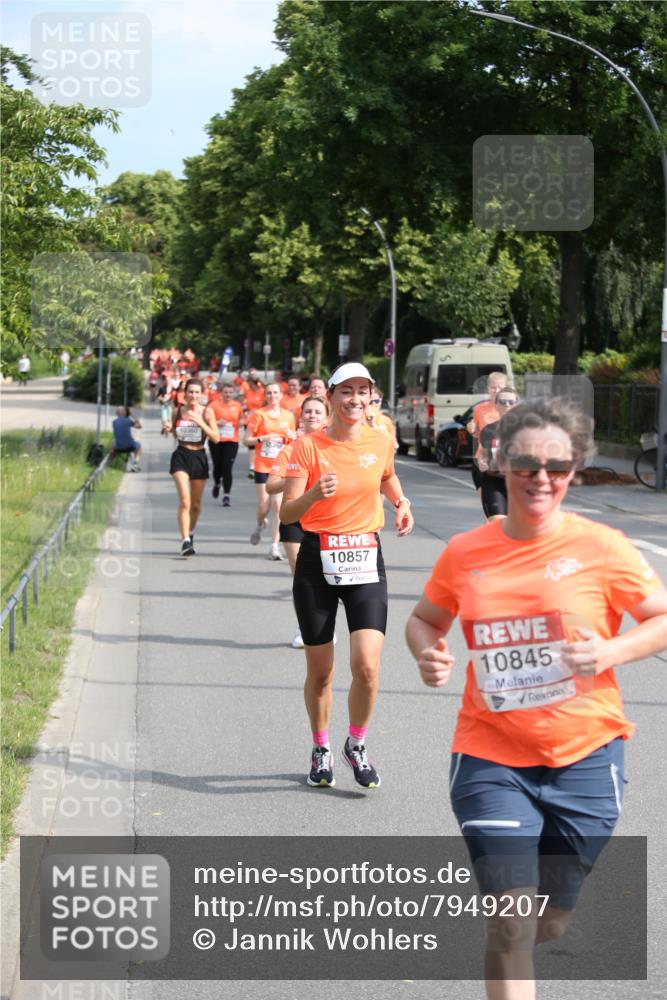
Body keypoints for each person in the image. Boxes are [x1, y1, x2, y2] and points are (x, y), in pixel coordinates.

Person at [405, 396, 667, 1000]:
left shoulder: (603, 547)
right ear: (501, 461)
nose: (540, 478)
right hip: (490, 757)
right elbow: (424, 620)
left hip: (587, 754)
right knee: (512, 921)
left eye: (558, 466)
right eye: (526, 463)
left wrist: (610, 653)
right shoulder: (466, 552)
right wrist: (427, 652)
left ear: (575, 470)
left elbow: (659, 620)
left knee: (550, 920)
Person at [281, 362, 414, 790]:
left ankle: (356, 744)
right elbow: (286, 512)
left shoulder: (381, 440)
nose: (356, 399)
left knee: (368, 667)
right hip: (318, 559)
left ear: (372, 396)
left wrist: (402, 502)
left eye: (364, 391)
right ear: (333, 397)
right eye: (346, 392)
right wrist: (314, 494)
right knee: (321, 672)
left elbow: (387, 476)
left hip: (365, 557)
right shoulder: (308, 447)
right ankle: (320, 747)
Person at [266, 395, 331, 648]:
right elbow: (271, 486)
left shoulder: (335, 448)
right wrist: (296, 478)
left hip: (326, 519)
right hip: (294, 519)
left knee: (325, 577)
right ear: (301, 417)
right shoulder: (289, 449)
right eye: (308, 412)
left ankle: (325, 625)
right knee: (301, 577)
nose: (312, 415)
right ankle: (303, 627)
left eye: (318, 412)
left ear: (327, 417)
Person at [244, 382, 297, 560]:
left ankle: (274, 546)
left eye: (276, 392)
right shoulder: (258, 415)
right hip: (262, 466)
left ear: (281, 395)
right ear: (265, 396)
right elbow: (246, 440)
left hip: (281, 466)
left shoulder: (289, 416)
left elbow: (294, 440)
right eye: (269, 393)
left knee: (277, 506)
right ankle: (260, 524)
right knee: (264, 507)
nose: (272, 395)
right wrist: (263, 438)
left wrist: (292, 437)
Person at [170, 378, 220, 556]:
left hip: (199, 457)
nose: (193, 395)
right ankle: (184, 541)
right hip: (181, 456)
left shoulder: (207, 412)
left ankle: (190, 533)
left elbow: (216, 438)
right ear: (185, 393)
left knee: (196, 505)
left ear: (201, 394)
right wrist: (168, 427)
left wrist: (200, 422)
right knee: (185, 501)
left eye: (196, 392)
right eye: (190, 392)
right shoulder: (177, 411)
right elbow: (173, 431)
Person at [478, 386, 520, 521]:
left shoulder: (527, 429)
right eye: (502, 402)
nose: (507, 405)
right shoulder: (488, 430)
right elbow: (483, 454)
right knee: (497, 522)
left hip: (520, 483)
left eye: (511, 402)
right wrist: (482, 462)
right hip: (494, 481)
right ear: (496, 405)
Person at [467, 371, 508, 494]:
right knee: (485, 501)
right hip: (482, 460)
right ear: (488, 389)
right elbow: (476, 432)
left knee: (504, 505)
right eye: (493, 387)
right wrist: (472, 427)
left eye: (500, 387)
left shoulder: (512, 408)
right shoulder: (479, 409)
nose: (496, 390)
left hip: (505, 462)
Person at [208, 383, 244, 506]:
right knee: (217, 467)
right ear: (221, 393)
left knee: (227, 467)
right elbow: (207, 421)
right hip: (216, 440)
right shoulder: (213, 405)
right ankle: (217, 482)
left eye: (230, 392)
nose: (228, 395)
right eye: (225, 392)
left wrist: (241, 423)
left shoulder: (237, 406)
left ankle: (226, 495)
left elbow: (242, 419)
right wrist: (217, 422)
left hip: (232, 440)